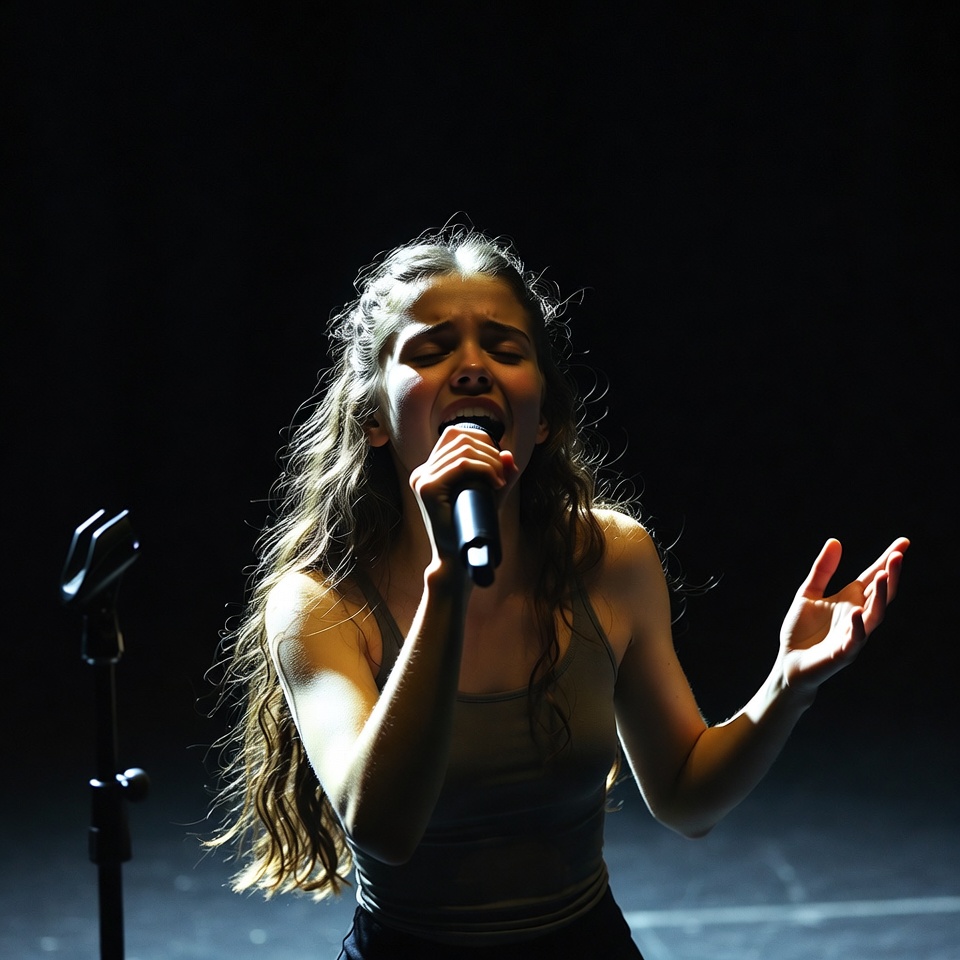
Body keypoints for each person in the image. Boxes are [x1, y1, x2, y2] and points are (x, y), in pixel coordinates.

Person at [206, 226, 908, 959]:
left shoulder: (611, 559)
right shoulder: (318, 604)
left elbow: (686, 796)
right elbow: (380, 826)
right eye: (432, 349)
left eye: (505, 349)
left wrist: (789, 685)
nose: (472, 367)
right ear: (373, 418)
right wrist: (449, 582)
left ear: (543, 418)